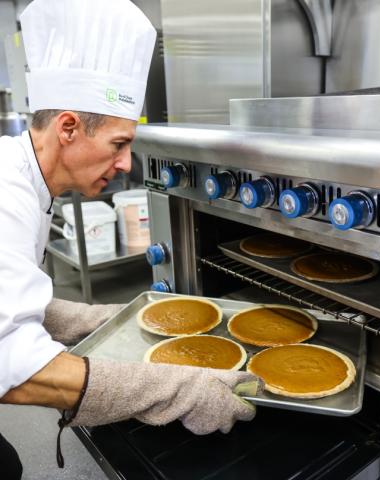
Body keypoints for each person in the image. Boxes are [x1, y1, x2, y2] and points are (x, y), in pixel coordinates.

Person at [0, 0, 261, 477]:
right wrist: (173, 390)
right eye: (119, 145)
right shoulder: (5, 195)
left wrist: (97, 319)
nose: (126, 166)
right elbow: (15, 369)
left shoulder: (23, 176)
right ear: (69, 128)